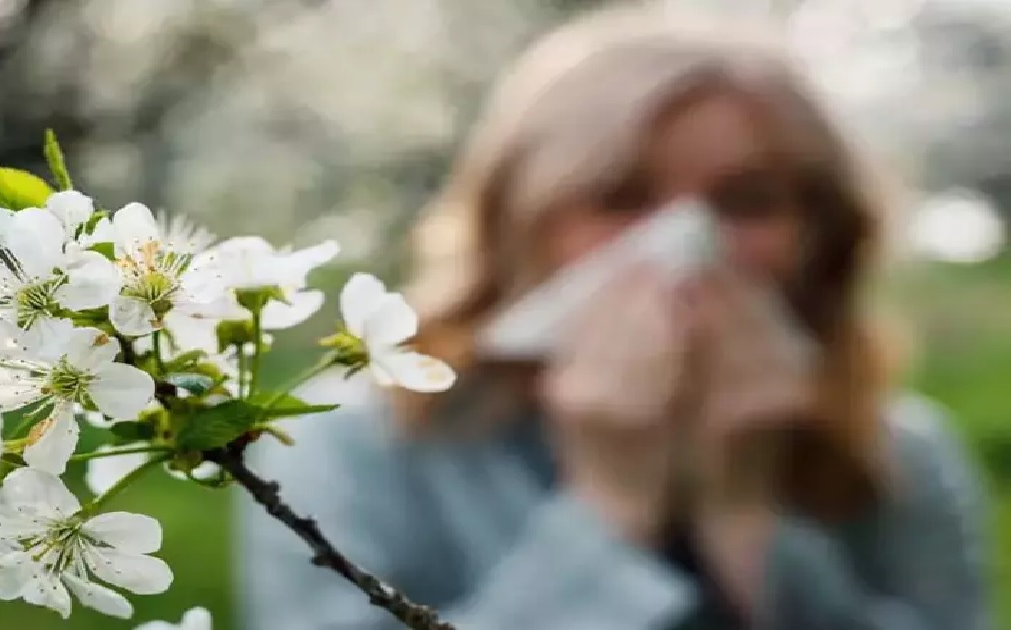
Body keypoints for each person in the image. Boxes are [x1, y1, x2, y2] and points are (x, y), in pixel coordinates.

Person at [236, 6, 991, 630]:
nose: (685, 245)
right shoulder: (350, 452)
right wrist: (611, 501)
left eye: (748, 202)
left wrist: (744, 511)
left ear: (821, 237)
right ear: (516, 222)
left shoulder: (898, 456)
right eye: (619, 197)